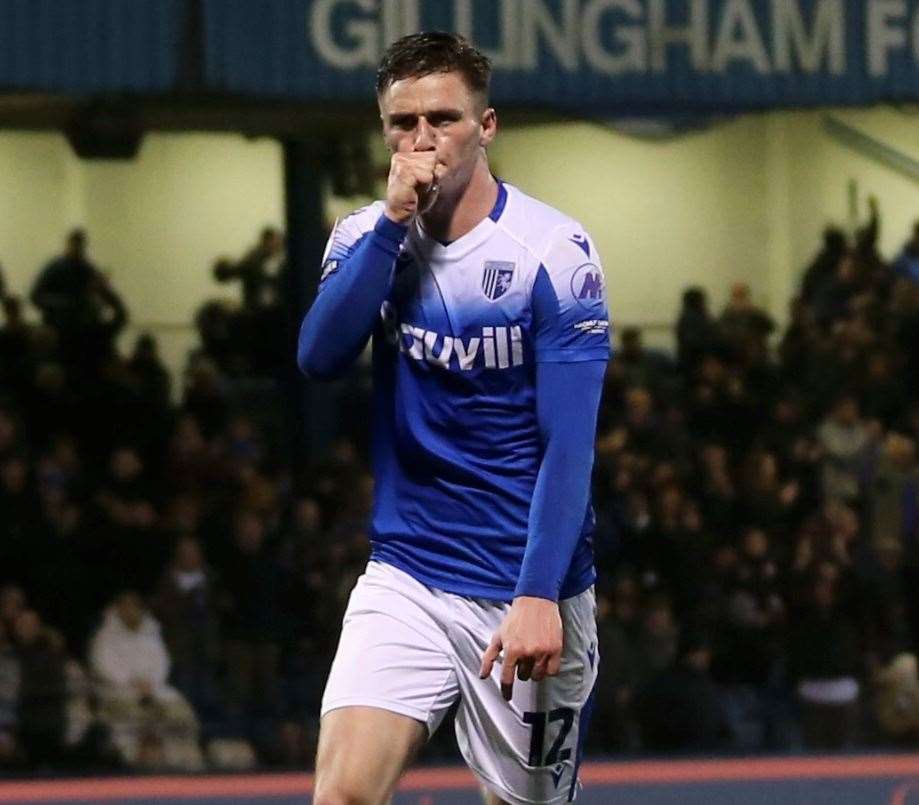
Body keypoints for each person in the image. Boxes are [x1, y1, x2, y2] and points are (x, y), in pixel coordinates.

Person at [297, 32, 610, 805]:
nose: (422, 139)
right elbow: (318, 356)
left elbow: (568, 446)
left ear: (487, 125)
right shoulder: (365, 237)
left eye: (442, 118)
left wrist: (538, 592)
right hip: (407, 572)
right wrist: (390, 225)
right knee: (340, 795)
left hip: (524, 587)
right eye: (402, 123)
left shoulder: (553, 253)